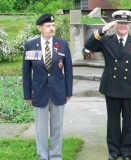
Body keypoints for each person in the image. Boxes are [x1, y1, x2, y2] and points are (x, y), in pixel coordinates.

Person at [84, 10, 131, 160]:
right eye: (120, 23)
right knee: (113, 121)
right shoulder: (106, 40)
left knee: (128, 121)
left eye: (126, 23)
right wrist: (103, 29)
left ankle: (127, 151)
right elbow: (89, 45)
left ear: (129, 25)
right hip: (112, 87)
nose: (123, 26)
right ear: (115, 24)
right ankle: (113, 150)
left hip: (130, 87)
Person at [22, 14, 73, 160]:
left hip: (58, 92)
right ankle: (42, 156)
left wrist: (68, 91)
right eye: (48, 26)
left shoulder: (62, 44)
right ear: (40, 28)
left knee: (57, 127)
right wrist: (28, 94)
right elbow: (26, 72)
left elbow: (68, 70)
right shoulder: (30, 45)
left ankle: (56, 155)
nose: (52, 28)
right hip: (38, 93)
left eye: (53, 25)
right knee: (41, 128)